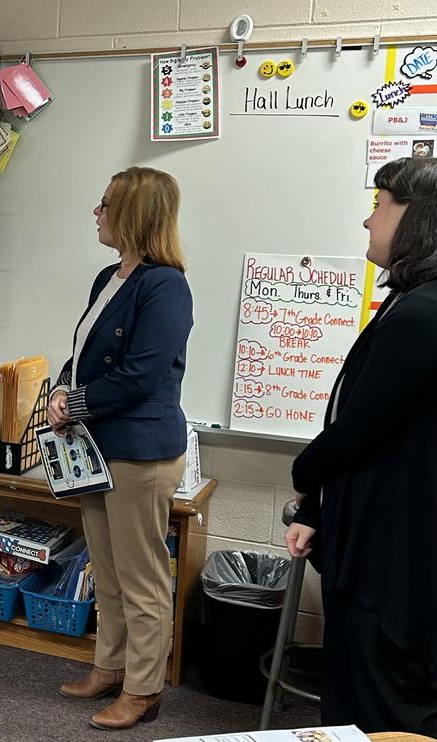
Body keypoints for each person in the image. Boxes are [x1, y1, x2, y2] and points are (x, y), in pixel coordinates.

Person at [287, 156, 437, 735]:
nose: (368, 222)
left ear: (417, 218)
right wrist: (317, 511)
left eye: (380, 206)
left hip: (393, 569)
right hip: (372, 541)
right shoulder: (409, 300)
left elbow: (358, 431)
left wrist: (303, 474)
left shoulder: (424, 313)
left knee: (377, 712)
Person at [50, 167, 193, 730]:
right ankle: (109, 668)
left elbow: (139, 376)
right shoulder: (110, 276)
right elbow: (83, 350)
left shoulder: (166, 285)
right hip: (98, 445)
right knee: (106, 570)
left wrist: (76, 403)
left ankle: (144, 690)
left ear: (133, 214)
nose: (96, 212)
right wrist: (64, 388)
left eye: (105, 204)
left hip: (139, 451)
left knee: (142, 578)